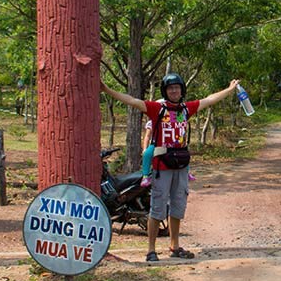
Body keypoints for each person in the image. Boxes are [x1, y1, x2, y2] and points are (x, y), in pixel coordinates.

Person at [102, 74, 239, 262]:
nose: (174, 91)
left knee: (177, 206)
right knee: (157, 208)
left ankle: (174, 245)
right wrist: (107, 90)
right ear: (165, 92)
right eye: (170, 88)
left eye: (177, 88)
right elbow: (132, 101)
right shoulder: (157, 109)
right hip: (162, 166)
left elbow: (209, 100)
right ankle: (151, 250)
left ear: (182, 90)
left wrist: (230, 90)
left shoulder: (185, 109)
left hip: (181, 165)